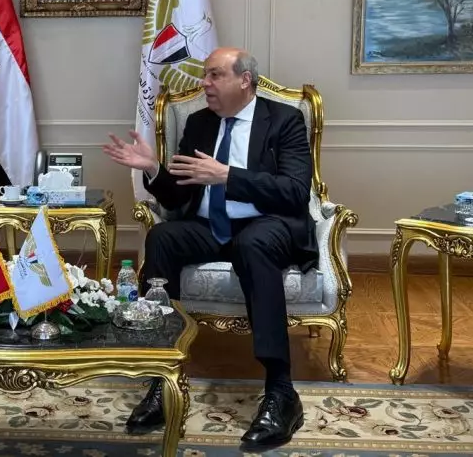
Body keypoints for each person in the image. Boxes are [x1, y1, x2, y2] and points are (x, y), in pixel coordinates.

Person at [103, 47, 316, 452]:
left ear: (245, 80)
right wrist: (153, 168)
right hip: (209, 227)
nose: (205, 84)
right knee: (162, 237)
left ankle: (281, 391)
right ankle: (161, 379)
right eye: (205, 75)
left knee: (253, 243)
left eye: (215, 75)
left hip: (265, 225)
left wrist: (228, 176)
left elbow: (294, 192)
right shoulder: (200, 123)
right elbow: (177, 195)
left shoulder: (284, 120)